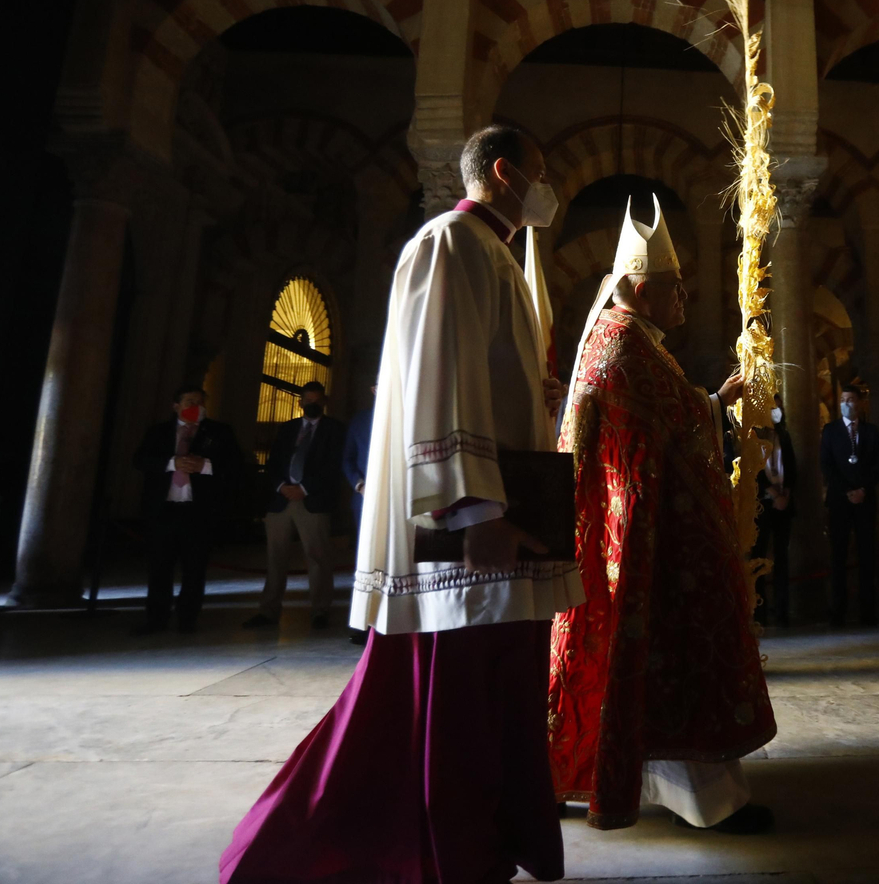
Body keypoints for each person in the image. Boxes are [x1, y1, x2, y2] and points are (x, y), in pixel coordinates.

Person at [220, 124, 583, 884]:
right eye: (540, 174)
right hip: (469, 522)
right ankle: (430, 848)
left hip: (502, 516)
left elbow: (484, 376)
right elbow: (437, 381)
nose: (547, 191)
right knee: (448, 700)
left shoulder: (496, 254)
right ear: (505, 171)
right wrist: (474, 511)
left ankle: (484, 841)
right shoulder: (451, 243)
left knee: (487, 696)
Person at [549, 197, 776, 834]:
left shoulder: (616, 338)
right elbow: (664, 435)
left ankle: (650, 781)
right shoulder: (628, 348)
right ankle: (709, 800)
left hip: (624, 540)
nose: (684, 302)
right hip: (653, 544)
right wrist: (713, 406)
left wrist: (708, 401)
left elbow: (661, 423)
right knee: (679, 657)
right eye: (676, 290)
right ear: (643, 291)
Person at [131, 385, 242, 634]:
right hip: (164, 510)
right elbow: (140, 460)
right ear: (176, 406)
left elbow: (235, 464)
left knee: (195, 569)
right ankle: (156, 619)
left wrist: (205, 465)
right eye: (190, 401)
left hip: (198, 511)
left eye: (201, 402)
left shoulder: (218, 432)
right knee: (160, 568)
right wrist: (172, 462)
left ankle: (187, 620)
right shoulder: (159, 432)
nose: (196, 406)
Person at [243, 381, 345, 631]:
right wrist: (280, 486)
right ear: (300, 402)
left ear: (324, 402)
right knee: (275, 558)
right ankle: (268, 611)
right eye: (308, 400)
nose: (312, 405)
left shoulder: (335, 429)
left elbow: (334, 465)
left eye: (317, 401)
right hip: (281, 500)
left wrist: (305, 488)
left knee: (317, 558)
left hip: (313, 501)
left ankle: (320, 611)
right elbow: (275, 460)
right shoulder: (288, 428)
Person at [820, 383, 879, 627]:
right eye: (843, 399)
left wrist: (863, 490)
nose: (847, 403)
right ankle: (838, 612)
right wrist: (847, 490)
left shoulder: (871, 431)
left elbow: (878, 466)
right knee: (839, 556)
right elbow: (827, 466)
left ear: (859, 403)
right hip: (840, 501)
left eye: (851, 399)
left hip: (865, 501)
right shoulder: (831, 431)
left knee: (868, 556)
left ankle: (868, 613)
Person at [753, 392, 796, 627]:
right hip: (762, 504)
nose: (775, 412)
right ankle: (759, 611)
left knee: (782, 558)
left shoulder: (784, 437)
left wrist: (786, 492)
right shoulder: (752, 438)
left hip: (783, 504)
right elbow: (754, 471)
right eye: (772, 408)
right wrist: (772, 492)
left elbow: (791, 468)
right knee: (759, 558)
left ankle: (782, 611)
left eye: (778, 408)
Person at [342, 382, 376, 646]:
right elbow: (348, 459)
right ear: (373, 389)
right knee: (364, 561)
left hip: (398, 501)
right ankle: (363, 623)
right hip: (365, 500)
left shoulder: (410, 414)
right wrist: (360, 484)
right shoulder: (361, 419)